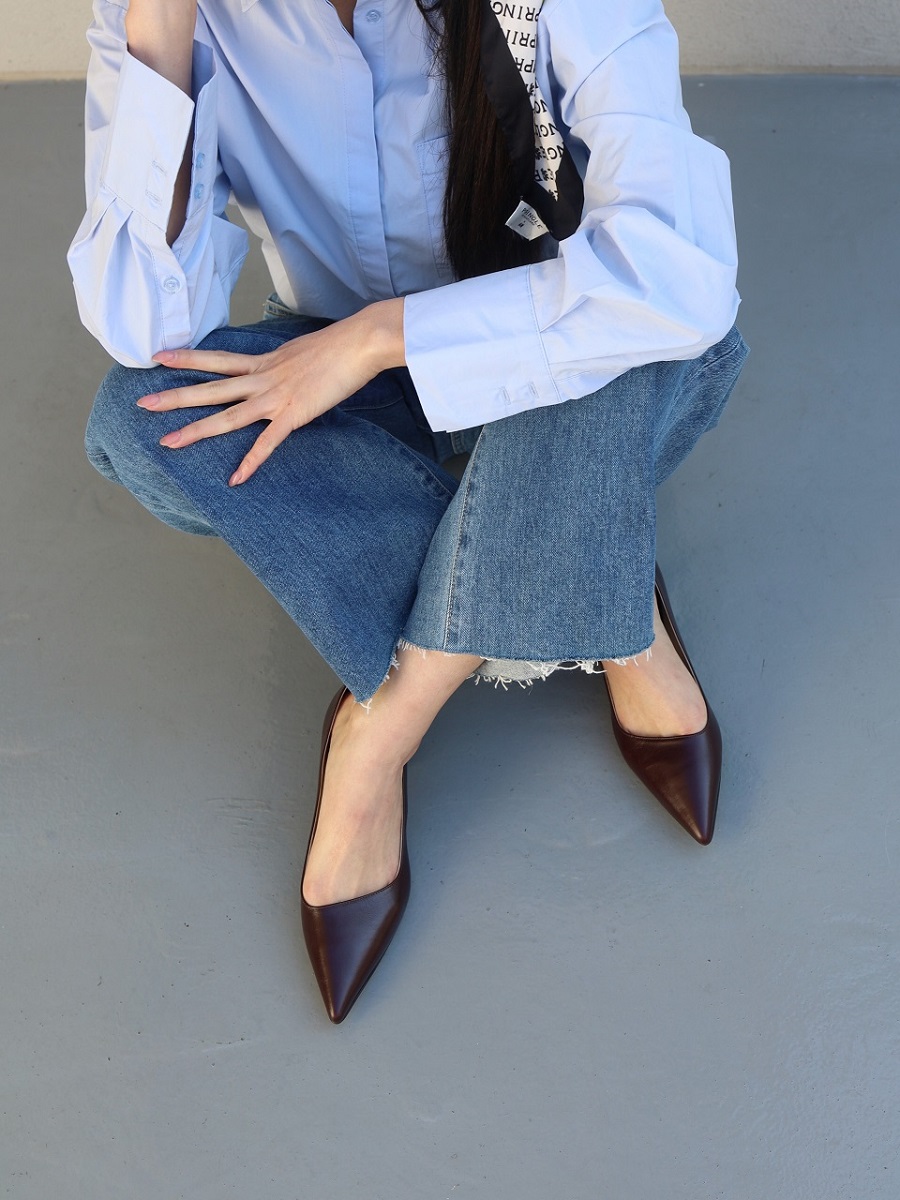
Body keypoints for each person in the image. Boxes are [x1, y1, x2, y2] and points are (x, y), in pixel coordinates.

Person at [68, 0, 749, 1022]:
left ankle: (387, 720)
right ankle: (597, 572)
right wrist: (159, 33)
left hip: (557, 357)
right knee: (144, 419)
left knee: (621, 340)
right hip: (336, 374)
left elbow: (676, 276)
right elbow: (144, 324)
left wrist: (382, 336)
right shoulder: (178, 17)